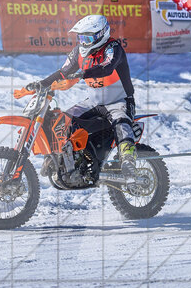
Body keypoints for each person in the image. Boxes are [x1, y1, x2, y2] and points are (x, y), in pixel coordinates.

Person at [23, 15, 139, 180]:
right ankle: (61, 158)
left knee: (121, 122)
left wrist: (81, 74)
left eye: (88, 37)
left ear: (101, 34)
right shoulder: (78, 51)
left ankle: (128, 160)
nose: (83, 42)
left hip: (119, 101)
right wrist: (43, 83)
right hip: (93, 102)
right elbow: (63, 72)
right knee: (62, 120)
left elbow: (106, 67)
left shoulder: (113, 47)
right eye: (81, 37)